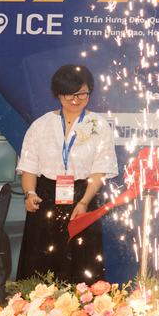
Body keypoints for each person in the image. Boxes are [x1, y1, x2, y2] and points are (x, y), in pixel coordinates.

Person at [16, 65, 117, 283]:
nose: (75, 99)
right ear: (58, 94)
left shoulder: (99, 125)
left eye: (82, 94)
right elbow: (29, 166)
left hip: (82, 197)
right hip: (45, 199)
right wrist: (30, 194)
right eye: (69, 94)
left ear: (89, 92)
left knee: (81, 264)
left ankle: (83, 305)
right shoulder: (41, 125)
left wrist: (84, 202)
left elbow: (99, 170)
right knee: (40, 262)